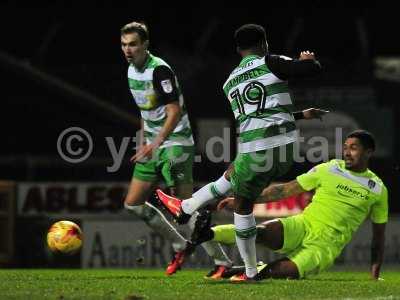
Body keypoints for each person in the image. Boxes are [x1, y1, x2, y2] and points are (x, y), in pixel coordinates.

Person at [156, 23, 322, 281]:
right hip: (285, 150)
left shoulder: (229, 82)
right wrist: (308, 60)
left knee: (241, 204)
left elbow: (255, 114)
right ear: (264, 43)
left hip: (257, 149)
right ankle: (190, 210)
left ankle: (187, 208)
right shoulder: (271, 61)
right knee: (236, 186)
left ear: (237, 49)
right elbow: (310, 71)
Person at [192, 130, 388, 281]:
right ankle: (208, 234)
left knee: (274, 273)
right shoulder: (330, 168)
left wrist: (374, 274)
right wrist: (245, 199)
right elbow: (284, 190)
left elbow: (378, 236)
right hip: (302, 225)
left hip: (324, 246)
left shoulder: (378, 189)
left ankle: (252, 269)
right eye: (345, 146)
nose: (346, 152)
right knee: (258, 232)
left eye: (353, 148)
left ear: (368, 152)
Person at [120, 21, 232, 277]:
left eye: (133, 44)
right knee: (133, 204)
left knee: (185, 207)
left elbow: (174, 111)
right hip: (152, 144)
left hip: (176, 144)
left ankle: (223, 261)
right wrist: (143, 140)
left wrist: (156, 143)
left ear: (145, 45)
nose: (128, 49)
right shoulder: (130, 71)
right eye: (124, 44)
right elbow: (146, 111)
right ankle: (179, 244)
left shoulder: (159, 70)